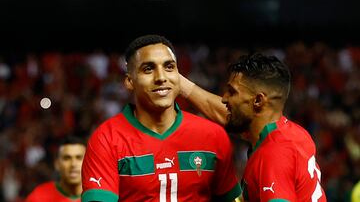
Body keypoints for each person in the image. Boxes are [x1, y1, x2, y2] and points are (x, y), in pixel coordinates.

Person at [81, 34, 241, 202]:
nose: (161, 77)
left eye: (169, 67)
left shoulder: (213, 135)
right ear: (129, 81)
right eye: (148, 69)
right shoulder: (106, 139)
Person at [179, 53, 327, 201]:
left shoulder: (273, 155)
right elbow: (228, 115)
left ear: (258, 100)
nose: (224, 98)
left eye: (232, 92)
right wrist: (180, 84)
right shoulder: (295, 133)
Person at [25, 135, 86, 202]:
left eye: (79, 158)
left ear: (88, 163)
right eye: (67, 158)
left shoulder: (97, 197)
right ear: (57, 164)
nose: (73, 164)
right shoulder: (38, 197)